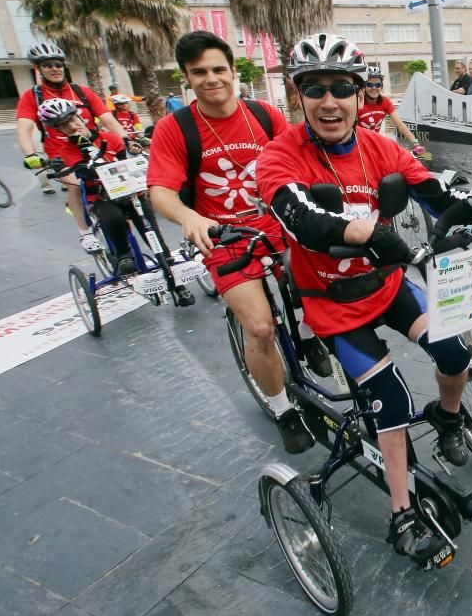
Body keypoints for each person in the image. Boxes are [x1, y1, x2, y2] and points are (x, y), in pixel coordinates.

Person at [254, 33, 472, 566]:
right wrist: (367, 232)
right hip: (333, 303)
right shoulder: (279, 156)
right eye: (314, 89)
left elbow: (442, 192)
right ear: (298, 95)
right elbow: (303, 220)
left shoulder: (382, 147)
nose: (328, 101)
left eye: (340, 88)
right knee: (392, 400)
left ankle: (449, 422)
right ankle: (402, 513)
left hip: (388, 284)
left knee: (456, 355)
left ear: (360, 95)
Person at [147, 31, 304, 450]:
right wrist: (188, 215)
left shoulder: (265, 115)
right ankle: (282, 407)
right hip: (226, 237)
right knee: (259, 328)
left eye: (219, 69)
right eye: (199, 72)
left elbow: (297, 160)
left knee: (327, 289)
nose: (211, 79)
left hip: (277, 224)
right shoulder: (175, 128)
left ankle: (311, 338)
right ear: (186, 77)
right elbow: (160, 190)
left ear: (234, 71)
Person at [36, 98, 192, 300]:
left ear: (81, 117)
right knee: (112, 218)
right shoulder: (68, 150)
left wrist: (136, 153)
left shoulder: (109, 138)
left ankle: (169, 268)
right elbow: (82, 172)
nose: (72, 126)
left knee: (149, 226)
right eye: (65, 125)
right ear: (58, 130)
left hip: (130, 193)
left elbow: (124, 161)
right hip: (102, 197)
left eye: (73, 119)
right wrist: (83, 156)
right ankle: (123, 256)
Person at [17, 41, 131, 242]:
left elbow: (108, 119)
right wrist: (30, 154)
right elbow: (24, 127)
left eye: (58, 64)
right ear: (38, 69)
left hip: (94, 148)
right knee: (77, 185)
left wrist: (125, 139)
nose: (54, 69)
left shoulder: (81, 91)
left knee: (121, 183)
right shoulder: (32, 96)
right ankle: (85, 233)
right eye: (48, 65)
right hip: (61, 153)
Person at [357, 66, 425, 156]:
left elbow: (400, 124)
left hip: (374, 143)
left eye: (377, 85)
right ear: (364, 86)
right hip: (358, 144)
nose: (374, 88)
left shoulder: (385, 102)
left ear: (381, 86)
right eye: (369, 84)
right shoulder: (358, 103)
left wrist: (416, 143)